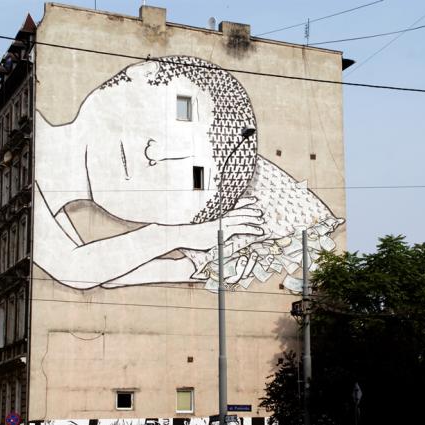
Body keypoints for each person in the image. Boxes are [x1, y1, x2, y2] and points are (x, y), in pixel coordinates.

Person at [34, 56, 343, 291]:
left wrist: (192, 260)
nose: (154, 154)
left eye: (185, 178)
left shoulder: (39, 201)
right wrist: (179, 235)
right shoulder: (25, 162)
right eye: (170, 122)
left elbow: (96, 273)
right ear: (142, 73)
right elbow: (76, 268)